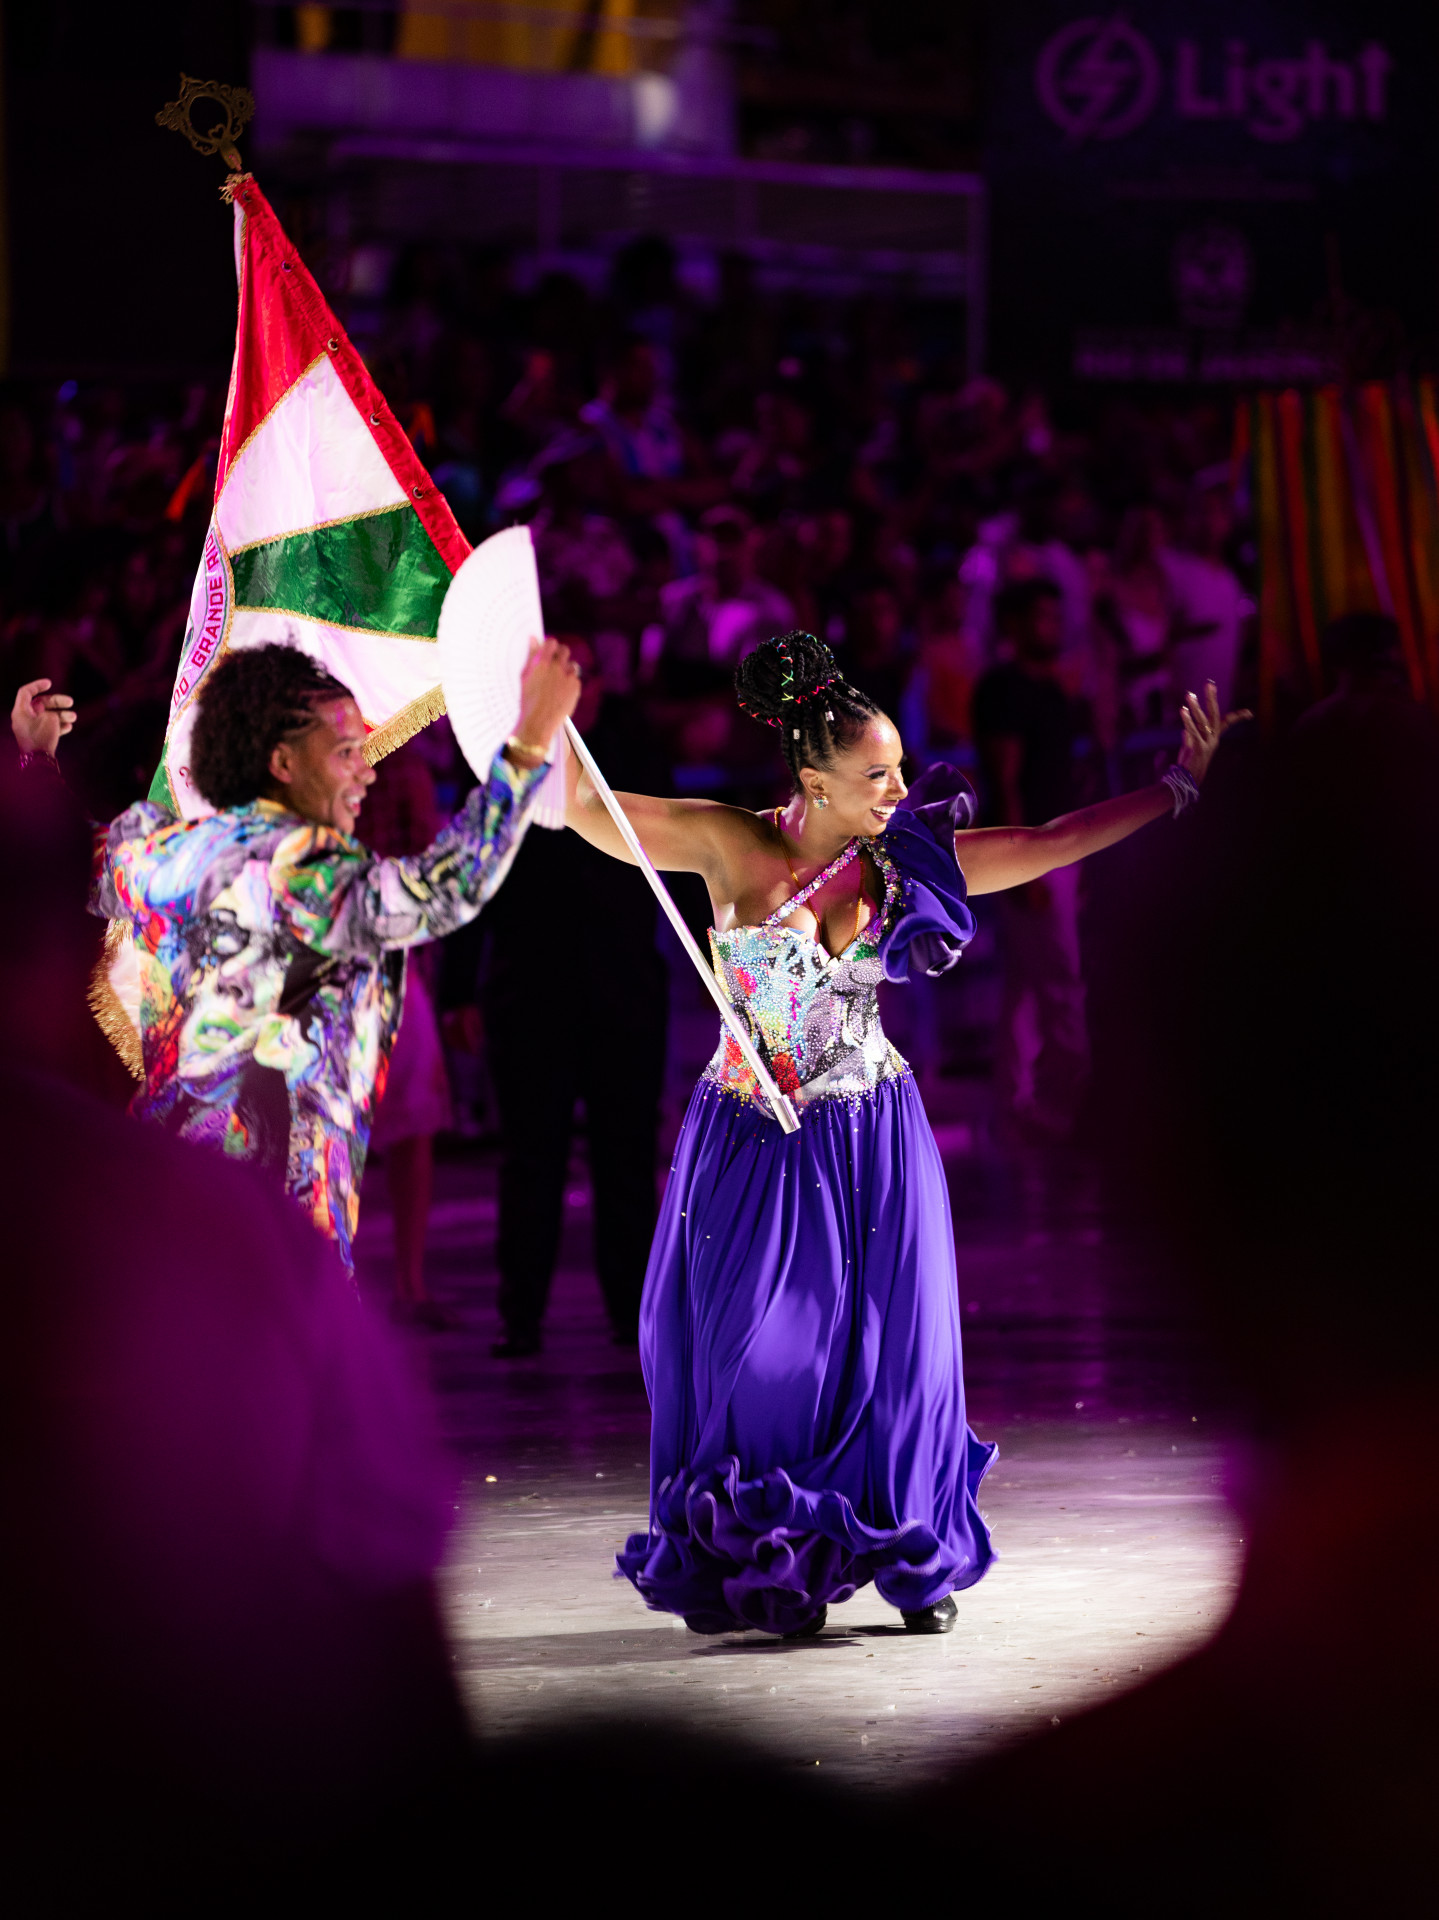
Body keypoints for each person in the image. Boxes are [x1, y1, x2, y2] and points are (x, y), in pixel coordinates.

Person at [565, 629, 1240, 1637]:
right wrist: (541, 730)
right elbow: (587, 811)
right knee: (766, 1360)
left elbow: (1046, 837)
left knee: (894, 1359)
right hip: (752, 1143)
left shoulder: (904, 863)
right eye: (873, 774)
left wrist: (1175, 790)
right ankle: (778, 1550)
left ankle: (906, 1550)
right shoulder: (727, 842)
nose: (895, 788)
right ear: (811, 779)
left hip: (872, 1139)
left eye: (896, 768)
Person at [10, 638, 580, 1272]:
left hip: (163, 1243)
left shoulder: (161, 853)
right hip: (277, 1260)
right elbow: (446, 887)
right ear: (281, 761)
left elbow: (74, 859)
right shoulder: (312, 873)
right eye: (346, 753)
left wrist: (37, 758)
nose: (367, 772)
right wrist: (527, 745)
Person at [448, 636, 671, 1358]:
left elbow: (687, 857)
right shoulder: (501, 761)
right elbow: (468, 873)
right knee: (529, 1157)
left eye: (582, 675)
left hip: (624, 984)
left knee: (626, 1157)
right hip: (529, 988)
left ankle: (633, 1316)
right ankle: (521, 1316)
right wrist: (459, 989)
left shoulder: (634, 748)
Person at [973, 578, 1088, 1142]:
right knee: (1061, 978)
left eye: (1054, 616)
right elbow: (1006, 778)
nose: (1052, 627)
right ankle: (1067, 1102)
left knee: (1025, 983)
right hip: (1035, 852)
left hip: (1054, 850)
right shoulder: (1006, 689)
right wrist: (1028, 867)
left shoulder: (1052, 688)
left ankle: (1014, 1106)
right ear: (1014, 625)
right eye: (1039, 617)